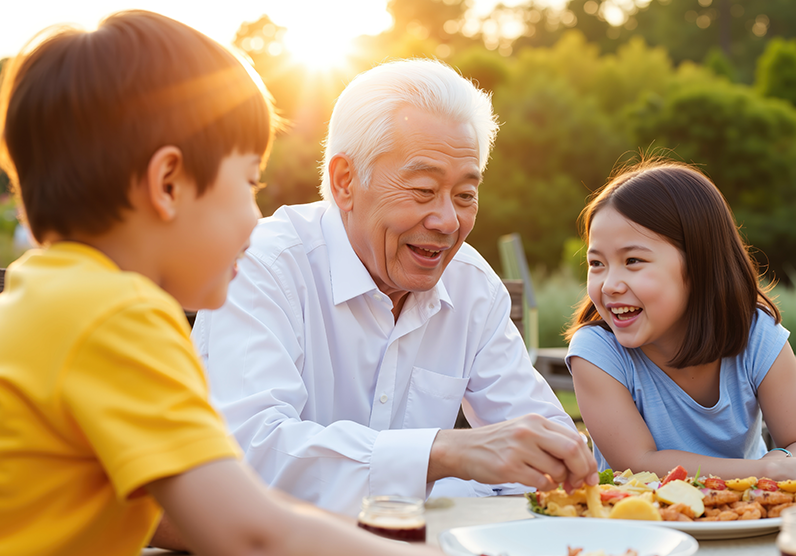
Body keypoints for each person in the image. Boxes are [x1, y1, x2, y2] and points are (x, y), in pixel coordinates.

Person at [0, 11, 441, 556]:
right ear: (168, 184)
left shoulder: (42, 296)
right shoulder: (118, 316)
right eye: (249, 182)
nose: (257, 218)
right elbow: (251, 533)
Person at [194, 58, 598, 516]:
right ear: (344, 181)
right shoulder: (263, 266)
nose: (448, 221)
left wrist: (548, 460)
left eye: (465, 195)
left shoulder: (472, 288)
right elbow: (248, 458)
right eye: (423, 190)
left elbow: (545, 449)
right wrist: (443, 454)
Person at [565, 159, 796, 480]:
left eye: (633, 260)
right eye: (597, 263)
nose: (609, 285)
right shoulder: (597, 352)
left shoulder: (757, 335)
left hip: (750, 519)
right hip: (641, 524)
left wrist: (782, 461)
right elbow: (637, 462)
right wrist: (769, 469)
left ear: (699, 263)